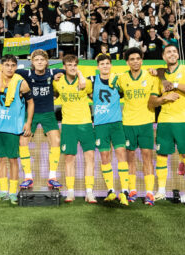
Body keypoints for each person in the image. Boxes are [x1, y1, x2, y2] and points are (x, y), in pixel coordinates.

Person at [149, 45, 185, 210]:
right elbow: (151, 102)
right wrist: (164, 99)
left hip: (181, 121)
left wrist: (176, 84)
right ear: (164, 57)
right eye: (168, 52)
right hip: (164, 121)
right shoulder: (159, 76)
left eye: (174, 51)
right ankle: (161, 191)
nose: (172, 54)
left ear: (178, 55)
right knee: (161, 155)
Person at [115, 47, 158, 204]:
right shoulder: (121, 78)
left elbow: (165, 73)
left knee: (147, 157)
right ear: (127, 62)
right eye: (131, 59)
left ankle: (149, 193)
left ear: (142, 60)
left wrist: (157, 71)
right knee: (130, 158)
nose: (135, 61)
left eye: (137, 58)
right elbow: (105, 83)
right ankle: (132, 190)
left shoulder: (151, 76)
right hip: (128, 123)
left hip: (146, 122)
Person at [0, 55, 34, 205]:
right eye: (7, 65)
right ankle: (3, 190)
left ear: (16, 67)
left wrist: (28, 123)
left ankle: (12, 192)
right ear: (2, 66)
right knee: (0, 160)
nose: (10, 68)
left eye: (12, 65)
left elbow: (30, 102)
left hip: (13, 128)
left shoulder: (21, 83)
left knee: (13, 160)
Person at [53, 54, 96, 203]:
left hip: (85, 123)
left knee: (89, 158)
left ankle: (89, 192)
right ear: (64, 67)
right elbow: (53, 95)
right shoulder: (57, 82)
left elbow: (89, 90)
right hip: (68, 125)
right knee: (69, 159)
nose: (72, 67)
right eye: (69, 65)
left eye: (75, 65)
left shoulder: (86, 82)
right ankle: (70, 192)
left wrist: (80, 75)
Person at [17, 49, 62, 190]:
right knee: (23, 141)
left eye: (42, 60)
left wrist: (62, 75)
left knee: (56, 141)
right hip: (30, 113)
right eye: (36, 60)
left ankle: (52, 177)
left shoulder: (52, 73)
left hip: (48, 113)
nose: (40, 62)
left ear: (47, 62)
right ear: (32, 62)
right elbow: (6, 71)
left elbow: (70, 69)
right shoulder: (25, 73)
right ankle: (28, 177)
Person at [90, 53, 129, 206]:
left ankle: (125, 191)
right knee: (105, 156)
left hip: (116, 124)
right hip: (100, 124)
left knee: (121, 154)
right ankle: (111, 191)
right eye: (102, 64)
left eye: (107, 63)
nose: (105, 66)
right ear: (98, 67)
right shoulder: (92, 81)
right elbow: (80, 84)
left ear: (111, 65)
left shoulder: (117, 79)